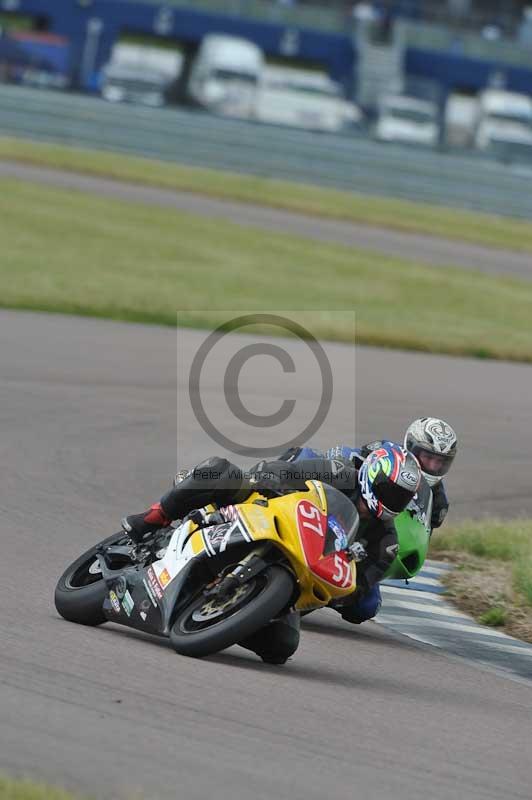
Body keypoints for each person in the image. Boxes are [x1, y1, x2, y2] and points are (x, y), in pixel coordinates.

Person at [122, 444, 421, 663]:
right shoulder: (338, 471)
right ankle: (153, 517)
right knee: (218, 469)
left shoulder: (386, 541)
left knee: (282, 646)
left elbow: (360, 587)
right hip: (268, 516)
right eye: (389, 490)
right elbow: (279, 470)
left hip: (298, 572)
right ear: (371, 475)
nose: (393, 500)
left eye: (402, 498)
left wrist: (345, 584)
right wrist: (270, 484)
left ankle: (233, 620)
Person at [280, 417, 458, 624]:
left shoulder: (439, 501)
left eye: (441, 461)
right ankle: (271, 489)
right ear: (412, 446)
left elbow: (425, 529)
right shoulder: (387, 452)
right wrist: (343, 462)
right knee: (306, 457)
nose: (433, 465)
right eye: (428, 457)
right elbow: (347, 454)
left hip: (373, 532)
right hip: (346, 504)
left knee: (365, 606)